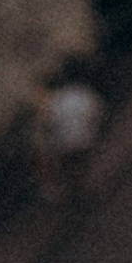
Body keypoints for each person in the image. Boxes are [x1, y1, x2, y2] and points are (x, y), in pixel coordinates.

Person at [34, 64, 106, 205]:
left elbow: (47, 126)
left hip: (66, 145)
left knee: (72, 167)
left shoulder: (53, 102)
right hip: (86, 139)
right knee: (81, 164)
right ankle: (85, 189)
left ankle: (78, 192)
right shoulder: (82, 92)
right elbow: (98, 110)